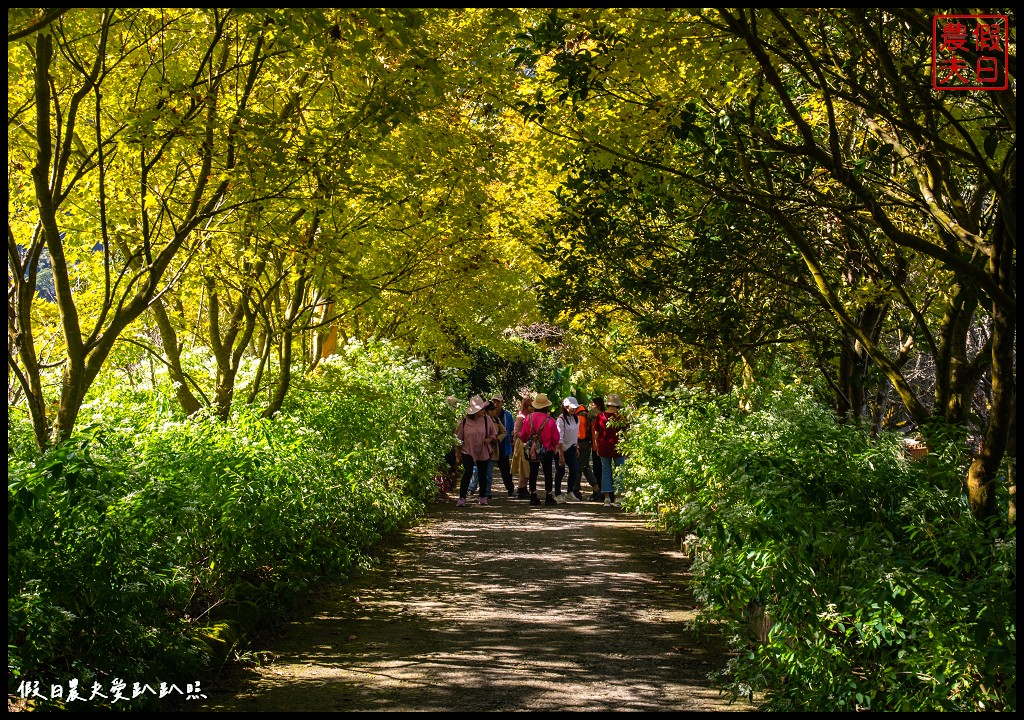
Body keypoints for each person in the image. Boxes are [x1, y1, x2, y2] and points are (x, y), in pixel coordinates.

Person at [518, 392, 562, 506]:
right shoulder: (550, 420)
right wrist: (553, 446)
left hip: (533, 450)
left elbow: (523, 435)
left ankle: (533, 496)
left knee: (533, 472)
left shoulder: (528, 418)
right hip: (547, 450)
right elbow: (556, 438)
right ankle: (548, 496)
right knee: (548, 473)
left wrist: (528, 442)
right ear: (546, 406)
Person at [455, 394, 498, 507]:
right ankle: (462, 498)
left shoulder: (487, 419)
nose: (483, 410)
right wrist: (457, 454)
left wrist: (489, 440)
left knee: (482, 473)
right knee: (468, 472)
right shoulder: (464, 422)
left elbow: (494, 433)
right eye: (481, 409)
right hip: (467, 450)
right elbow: (458, 439)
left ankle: (482, 496)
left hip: (482, 450)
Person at [594, 393, 626, 508]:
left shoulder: (601, 416)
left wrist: (597, 446)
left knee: (606, 472)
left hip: (604, 447)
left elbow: (596, 434)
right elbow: (626, 434)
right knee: (619, 472)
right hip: (619, 448)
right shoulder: (622, 416)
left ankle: (607, 498)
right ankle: (618, 497)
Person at [555, 396, 582, 503]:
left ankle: (569, 492)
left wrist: (576, 447)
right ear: (566, 407)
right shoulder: (561, 419)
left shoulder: (576, 418)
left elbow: (575, 435)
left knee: (574, 469)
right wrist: (561, 455)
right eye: (572, 407)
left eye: (575, 408)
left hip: (572, 448)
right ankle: (557, 494)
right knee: (560, 472)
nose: (574, 409)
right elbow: (559, 438)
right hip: (560, 449)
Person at [489, 393, 515, 498]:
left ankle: (510, 488)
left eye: (498, 401)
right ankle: (485, 491)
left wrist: (512, 441)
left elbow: (511, 430)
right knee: (487, 470)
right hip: (490, 446)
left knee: (505, 470)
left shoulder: (507, 415)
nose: (496, 403)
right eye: (494, 401)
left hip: (503, 446)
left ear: (502, 403)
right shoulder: (487, 415)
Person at [575, 401, 599, 499]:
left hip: (581, 444)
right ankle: (596, 488)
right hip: (587, 444)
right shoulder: (587, 417)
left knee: (577, 468)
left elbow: (580, 435)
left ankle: (575, 491)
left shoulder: (579, 418)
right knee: (585, 467)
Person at [511, 394, 534, 499]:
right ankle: (521, 489)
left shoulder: (529, 417)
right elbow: (516, 433)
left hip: (527, 443)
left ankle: (524, 488)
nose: (532, 408)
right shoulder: (521, 417)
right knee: (524, 467)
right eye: (530, 406)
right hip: (522, 443)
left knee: (527, 468)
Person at [587, 397, 605, 501]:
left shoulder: (595, 415)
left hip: (596, 446)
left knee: (598, 470)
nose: (591, 407)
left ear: (597, 405)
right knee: (603, 470)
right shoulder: (603, 415)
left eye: (593, 404)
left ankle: (598, 491)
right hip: (600, 446)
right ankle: (605, 492)